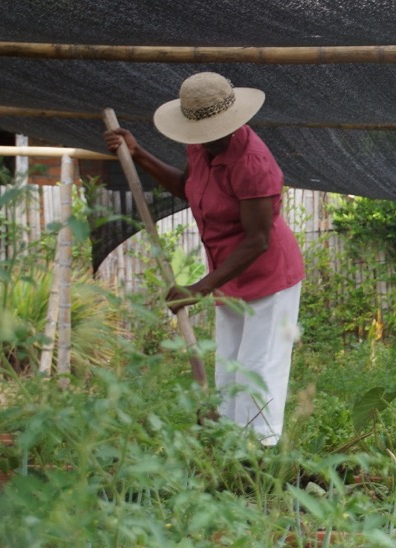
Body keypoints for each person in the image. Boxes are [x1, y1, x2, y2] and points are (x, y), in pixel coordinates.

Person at [104, 72, 304, 447]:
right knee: (229, 363)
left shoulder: (253, 163)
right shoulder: (201, 146)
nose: (201, 139)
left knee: (259, 366)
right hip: (228, 274)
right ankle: (228, 440)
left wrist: (199, 287)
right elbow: (188, 187)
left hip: (268, 276)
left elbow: (258, 240)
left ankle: (258, 451)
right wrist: (139, 154)